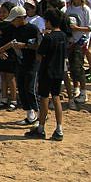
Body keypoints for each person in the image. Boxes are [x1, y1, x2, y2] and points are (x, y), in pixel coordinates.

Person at [26, 9, 68, 140]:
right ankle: (59, 128)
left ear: (49, 22)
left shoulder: (48, 38)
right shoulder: (63, 36)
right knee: (56, 98)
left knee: (44, 99)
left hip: (46, 71)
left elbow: (39, 56)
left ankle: (41, 127)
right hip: (58, 71)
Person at [2, 6, 42, 127]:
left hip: (32, 63)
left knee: (30, 89)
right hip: (20, 62)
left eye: (14, 19)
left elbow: (38, 44)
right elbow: (10, 41)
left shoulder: (32, 29)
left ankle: (39, 116)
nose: (13, 22)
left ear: (20, 18)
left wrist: (24, 45)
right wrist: (0, 50)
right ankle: (30, 115)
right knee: (22, 88)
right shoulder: (14, 29)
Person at [66, 0, 91, 107]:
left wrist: (77, 28)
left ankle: (84, 91)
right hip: (71, 40)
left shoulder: (85, 9)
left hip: (81, 40)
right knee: (72, 66)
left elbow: (90, 28)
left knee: (79, 66)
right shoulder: (69, 9)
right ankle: (76, 87)